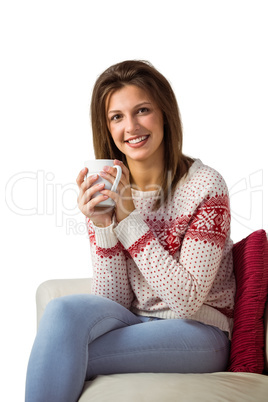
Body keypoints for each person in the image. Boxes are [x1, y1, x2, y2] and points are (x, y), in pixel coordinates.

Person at [25, 60, 235, 402]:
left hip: (201, 332)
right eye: (117, 117)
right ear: (106, 127)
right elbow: (115, 302)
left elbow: (185, 301)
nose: (131, 127)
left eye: (142, 110)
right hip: (136, 323)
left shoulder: (205, 186)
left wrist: (129, 219)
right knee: (61, 311)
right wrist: (103, 224)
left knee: (61, 357)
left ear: (164, 113)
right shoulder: (109, 188)